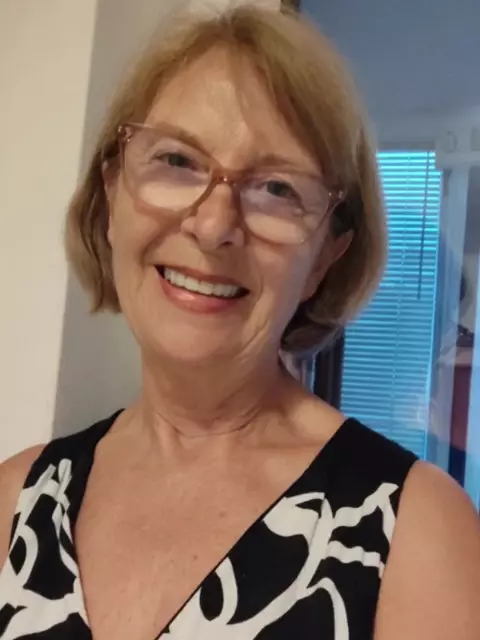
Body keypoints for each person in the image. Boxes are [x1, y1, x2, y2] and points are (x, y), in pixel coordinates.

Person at [0, 6, 479, 640]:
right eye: (177, 160)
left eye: (277, 188)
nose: (213, 225)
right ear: (112, 194)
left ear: (325, 257)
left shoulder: (417, 533)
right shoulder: (16, 499)